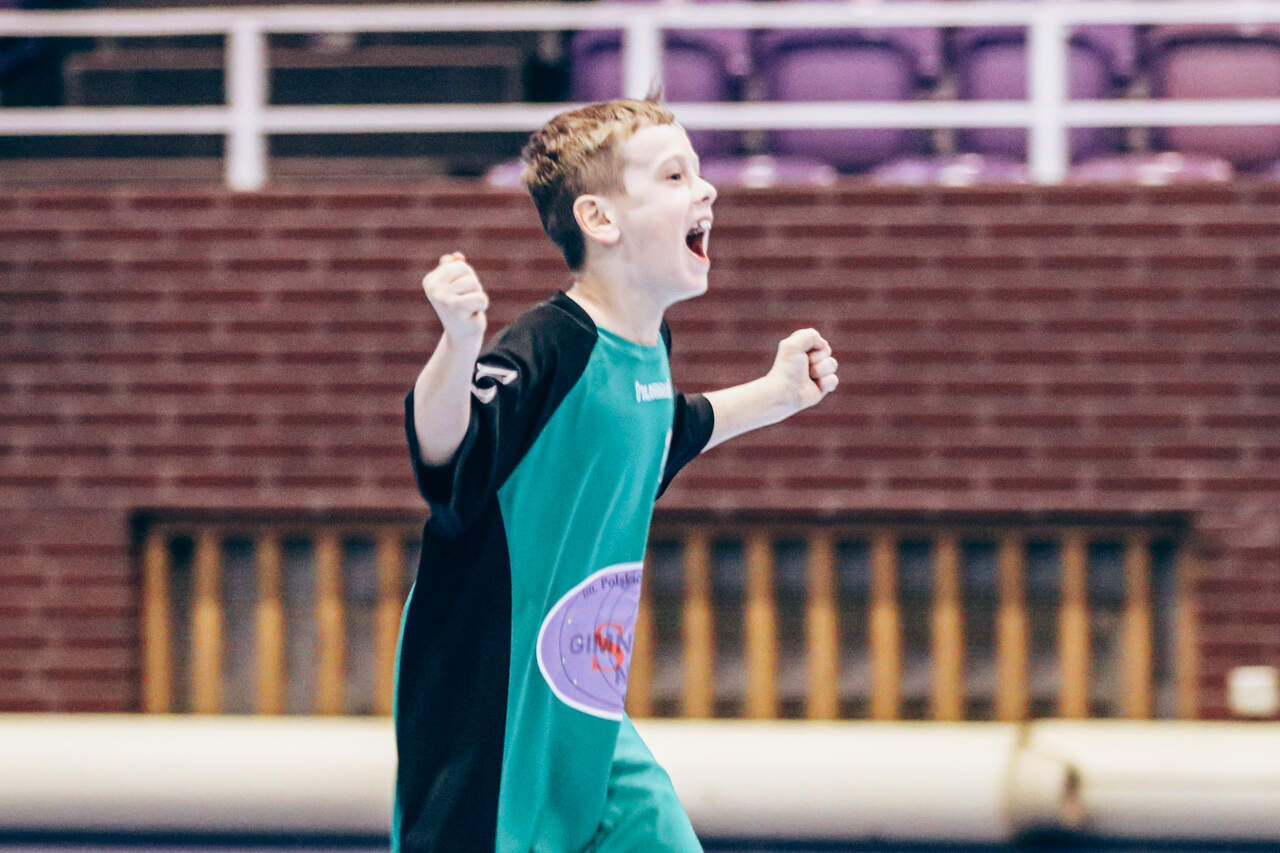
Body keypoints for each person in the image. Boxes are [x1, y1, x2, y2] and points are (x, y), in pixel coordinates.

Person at [397, 97, 839, 852]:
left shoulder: (645, 347)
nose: (706, 189)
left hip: (588, 717)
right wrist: (458, 346)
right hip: (493, 715)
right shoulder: (548, 346)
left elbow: (660, 433)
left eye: (698, 171)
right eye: (674, 176)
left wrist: (778, 394)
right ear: (599, 219)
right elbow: (444, 455)